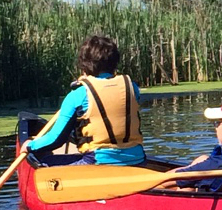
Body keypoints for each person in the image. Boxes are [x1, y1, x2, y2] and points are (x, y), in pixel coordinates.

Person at [24, 33, 145, 165]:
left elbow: (56, 139)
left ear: (84, 65)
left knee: (46, 161)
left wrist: (30, 145)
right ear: (115, 63)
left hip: (97, 163)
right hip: (138, 161)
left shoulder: (78, 95)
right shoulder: (133, 88)